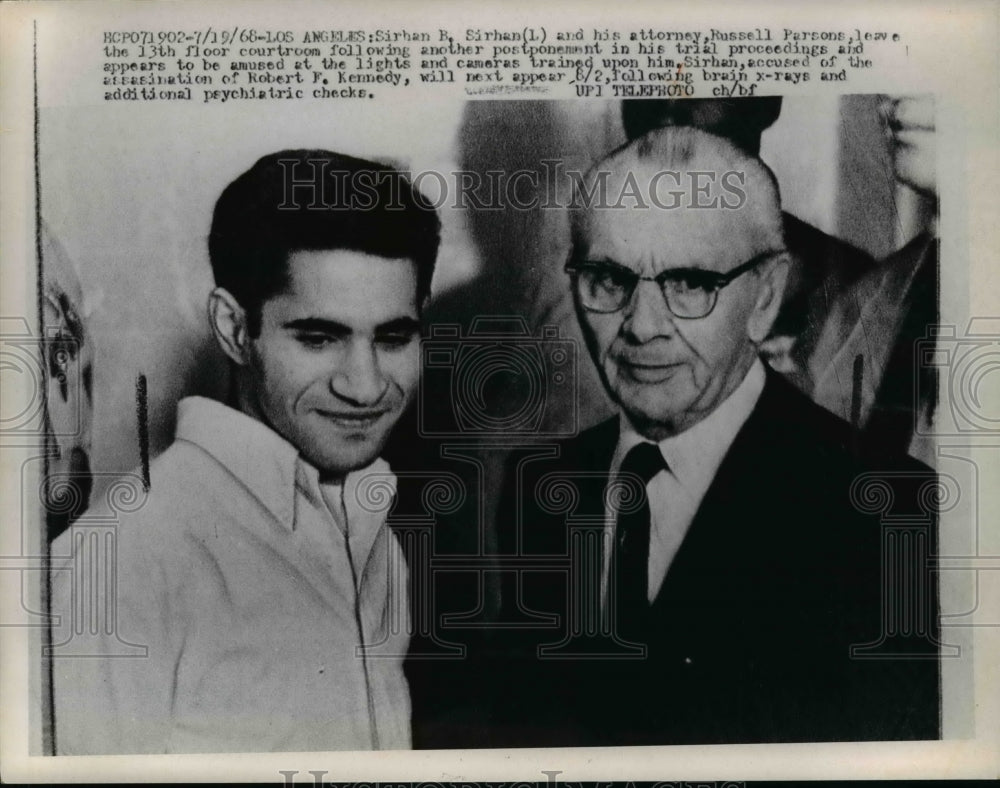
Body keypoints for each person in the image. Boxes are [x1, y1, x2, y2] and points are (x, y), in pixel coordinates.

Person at [490, 126, 940, 746]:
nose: (642, 328)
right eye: (608, 279)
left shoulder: (885, 510)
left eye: (691, 284)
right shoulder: (540, 486)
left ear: (766, 297)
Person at [48, 149, 440, 753]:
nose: (364, 386)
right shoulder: (123, 560)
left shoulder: (376, 543)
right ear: (234, 329)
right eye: (318, 338)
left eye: (393, 338)